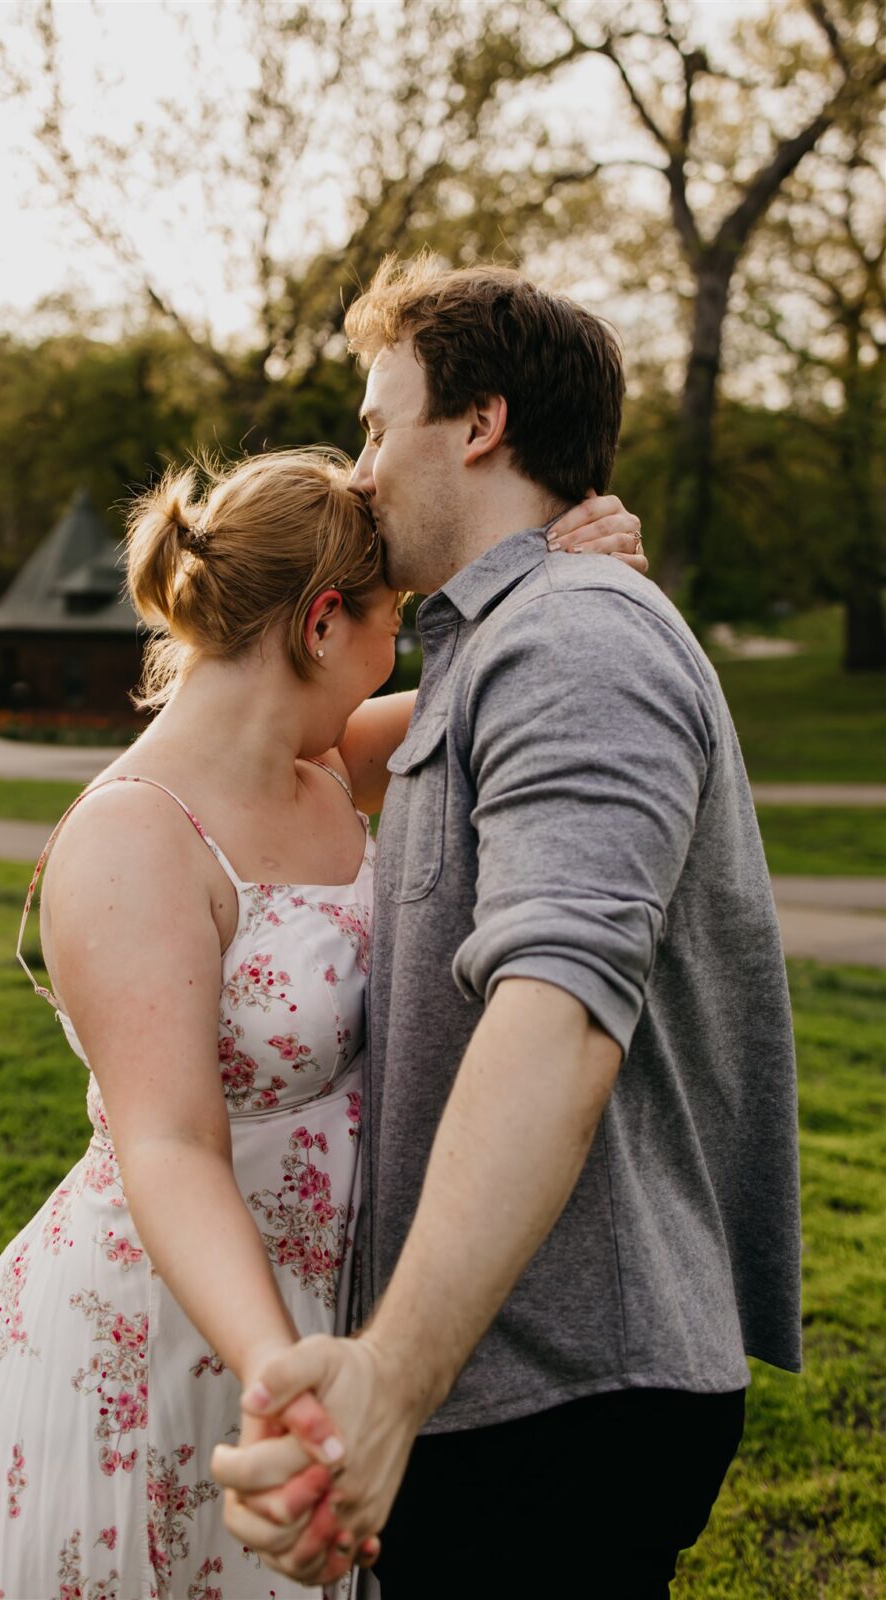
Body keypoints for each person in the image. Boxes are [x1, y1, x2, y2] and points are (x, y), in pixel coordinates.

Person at [0, 446, 642, 1600]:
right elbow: (168, 1144)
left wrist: (559, 571)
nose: (395, 653)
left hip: (306, 1315)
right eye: (391, 621)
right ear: (322, 622)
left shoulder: (323, 772)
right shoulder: (134, 837)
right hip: (159, 1340)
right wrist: (280, 1376)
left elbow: (493, 682)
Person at [214, 259, 803, 1599]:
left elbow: (558, 1015)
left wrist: (390, 1375)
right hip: (505, 1385)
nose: (357, 471)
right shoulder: (502, 644)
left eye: (376, 424)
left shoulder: (575, 644)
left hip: (559, 1393)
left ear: (476, 424)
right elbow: (256, 758)